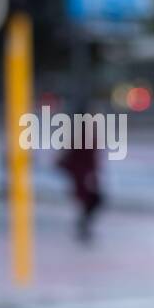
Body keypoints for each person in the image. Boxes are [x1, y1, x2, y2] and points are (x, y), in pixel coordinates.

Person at [56, 98, 104, 243]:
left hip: (85, 175)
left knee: (92, 201)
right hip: (83, 176)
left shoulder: (84, 134)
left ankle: (83, 226)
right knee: (93, 200)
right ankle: (83, 227)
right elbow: (74, 157)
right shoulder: (82, 136)